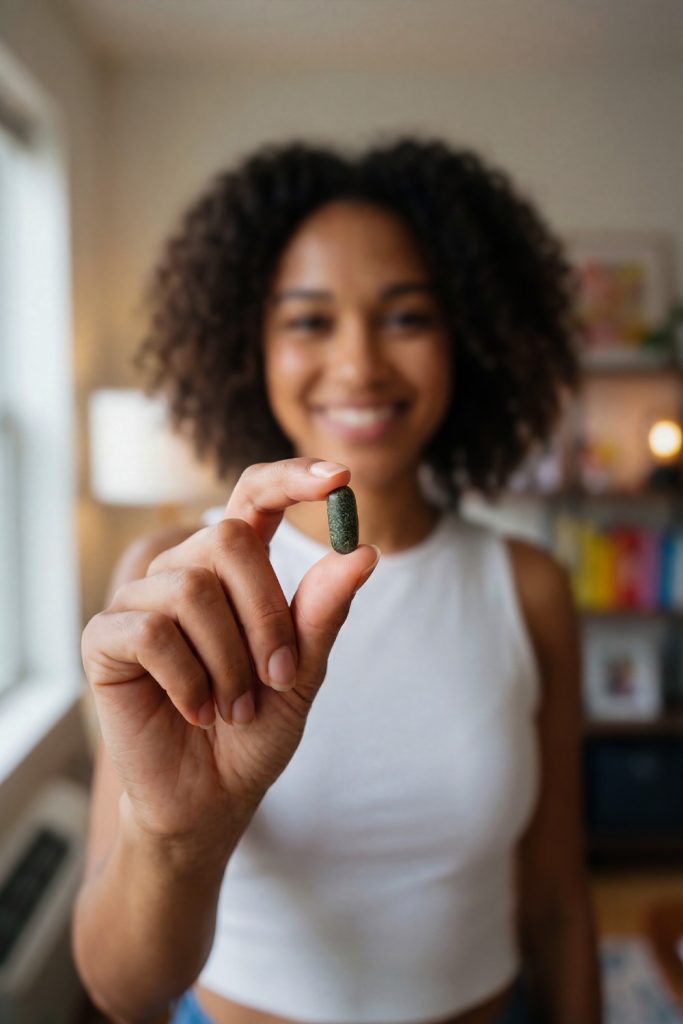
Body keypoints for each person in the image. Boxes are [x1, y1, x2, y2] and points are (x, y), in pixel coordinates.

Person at [73, 137, 603, 1024]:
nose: (359, 365)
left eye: (407, 316)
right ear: (250, 344)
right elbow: (123, 991)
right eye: (310, 321)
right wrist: (176, 839)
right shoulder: (169, 586)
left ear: (468, 339)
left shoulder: (530, 588)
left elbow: (554, 900)